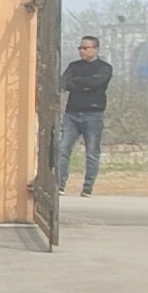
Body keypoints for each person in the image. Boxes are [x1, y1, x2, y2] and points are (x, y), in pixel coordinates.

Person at [57, 35, 113, 194]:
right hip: (72, 114)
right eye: (80, 48)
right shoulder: (73, 66)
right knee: (63, 149)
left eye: (85, 48)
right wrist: (84, 84)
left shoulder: (104, 68)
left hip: (93, 114)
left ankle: (87, 187)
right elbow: (63, 84)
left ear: (95, 49)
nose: (82, 51)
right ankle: (59, 184)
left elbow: (96, 82)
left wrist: (76, 83)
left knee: (92, 152)